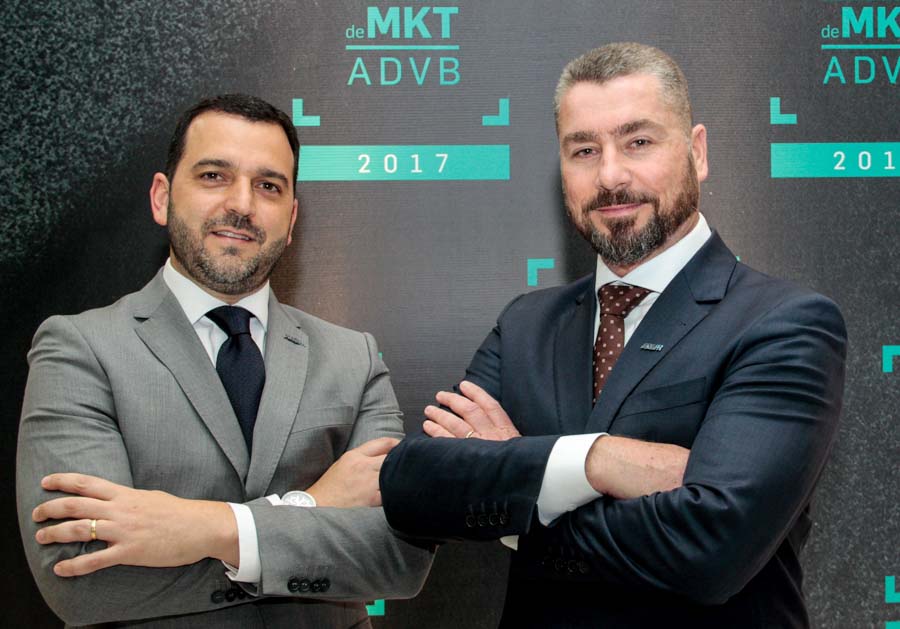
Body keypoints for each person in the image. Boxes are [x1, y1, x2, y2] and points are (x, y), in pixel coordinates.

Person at [379, 42, 846, 628]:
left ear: (697, 152)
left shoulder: (785, 323)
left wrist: (518, 496)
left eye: (638, 142)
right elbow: (413, 487)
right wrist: (597, 459)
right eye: (584, 150)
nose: (610, 176)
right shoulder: (527, 324)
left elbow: (713, 550)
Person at [17, 93, 433, 628]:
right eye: (214, 176)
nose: (242, 204)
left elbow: (398, 559)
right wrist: (308, 509)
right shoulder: (79, 349)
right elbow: (82, 576)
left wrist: (201, 529)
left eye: (268, 186)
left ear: (292, 218)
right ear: (162, 197)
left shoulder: (353, 358)